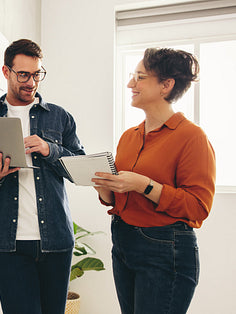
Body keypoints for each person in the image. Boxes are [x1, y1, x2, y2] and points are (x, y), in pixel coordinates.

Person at [92, 48, 216, 314]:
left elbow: (198, 207)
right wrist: (105, 189)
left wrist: (144, 185)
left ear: (166, 85)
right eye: (131, 76)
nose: (130, 84)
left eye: (140, 77)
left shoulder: (192, 137)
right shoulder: (129, 136)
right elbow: (119, 200)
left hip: (164, 250)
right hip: (123, 244)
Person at [0, 39, 85, 314]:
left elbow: (80, 167)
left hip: (56, 239)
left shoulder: (60, 117)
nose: (31, 82)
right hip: (9, 242)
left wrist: (49, 149)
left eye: (37, 74)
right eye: (23, 74)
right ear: (6, 72)